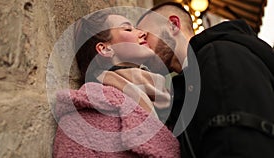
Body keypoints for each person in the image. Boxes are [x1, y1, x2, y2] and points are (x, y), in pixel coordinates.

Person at [137, 2, 274, 158]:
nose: (140, 47)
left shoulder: (219, 54)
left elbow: (238, 144)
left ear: (173, 25)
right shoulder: (187, 87)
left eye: (144, 36)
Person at [52, 9, 180, 157]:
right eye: (127, 28)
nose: (142, 33)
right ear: (105, 49)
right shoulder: (84, 117)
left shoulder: (166, 96)